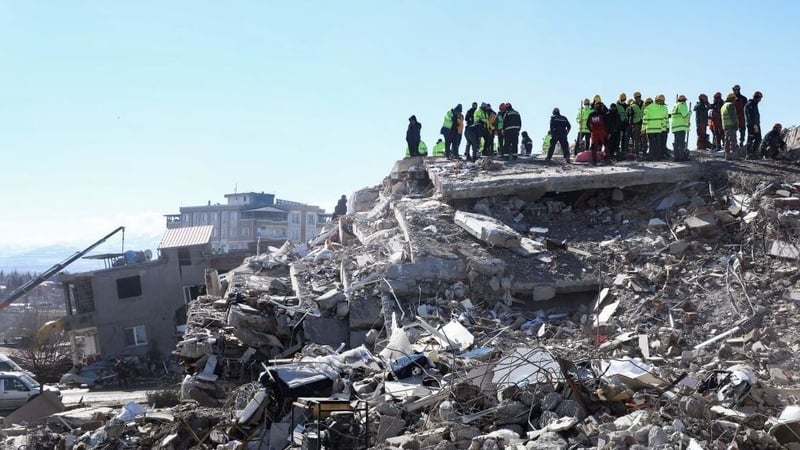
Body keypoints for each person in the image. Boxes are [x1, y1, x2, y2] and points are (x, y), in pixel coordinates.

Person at [643, 95, 668, 160]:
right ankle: (657, 157)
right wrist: (663, 128)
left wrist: (643, 129)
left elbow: (645, 119)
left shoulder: (648, 108)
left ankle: (651, 157)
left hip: (650, 129)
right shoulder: (661, 108)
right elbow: (663, 119)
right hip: (658, 129)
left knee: (651, 144)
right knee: (657, 144)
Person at [587, 101, 608, 165]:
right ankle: (605, 158)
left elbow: (587, 123)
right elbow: (607, 123)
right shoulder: (603, 113)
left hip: (594, 132)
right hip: (602, 131)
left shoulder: (591, 114)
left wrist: (591, 130)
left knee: (594, 146)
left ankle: (594, 160)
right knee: (606, 144)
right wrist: (607, 131)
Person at [671, 95, 691, 161]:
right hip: (681, 127)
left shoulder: (675, 106)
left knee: (676, 142)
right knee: (681, 143)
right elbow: (685, 115)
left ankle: (676, 157)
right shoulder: (682, 105)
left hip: (675, 127)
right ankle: (681, 157)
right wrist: (690, 113)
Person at [721, 93, 740, 159]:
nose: (735, 100)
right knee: (733, 140)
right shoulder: (730, 105)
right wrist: (736, 124)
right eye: (734, 99)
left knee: (727, 140)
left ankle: (727, 155)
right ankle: (734, 155)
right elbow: (733, 116)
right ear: (731, 99)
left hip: (725, 125)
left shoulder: (723, 106)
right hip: (731, 125)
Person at [745, 91, 763, 159]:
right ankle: (749, 154)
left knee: (758, 138)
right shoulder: (750, 104)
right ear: (757, 97)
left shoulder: (754, 104)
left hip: (755, 124)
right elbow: (750, 116)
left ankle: (753, 153)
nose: (760, 100)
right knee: (751, 138)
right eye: (760, 98)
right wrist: (754, 125)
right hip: (752, 125)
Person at [629, 92, 645, 157]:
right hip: (636, 124)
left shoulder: (644, 105)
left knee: (644, 138)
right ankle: (636, 152)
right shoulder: (632, 106)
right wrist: (632, 125)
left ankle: (644, 152)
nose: (638, 98)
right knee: (636, 138)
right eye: (637, 97)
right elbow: (631, 116)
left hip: (643, 123)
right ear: (635, 98)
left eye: (639, 97)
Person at [614, 94, 629, 158]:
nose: (623, 101)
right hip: (619, 123)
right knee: (617, 137)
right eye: (622, 100)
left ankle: (623, 149)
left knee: (624, 137)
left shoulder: (627, 106)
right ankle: (617, 150)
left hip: (625, 122)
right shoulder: (617, 106)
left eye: (624, 100)